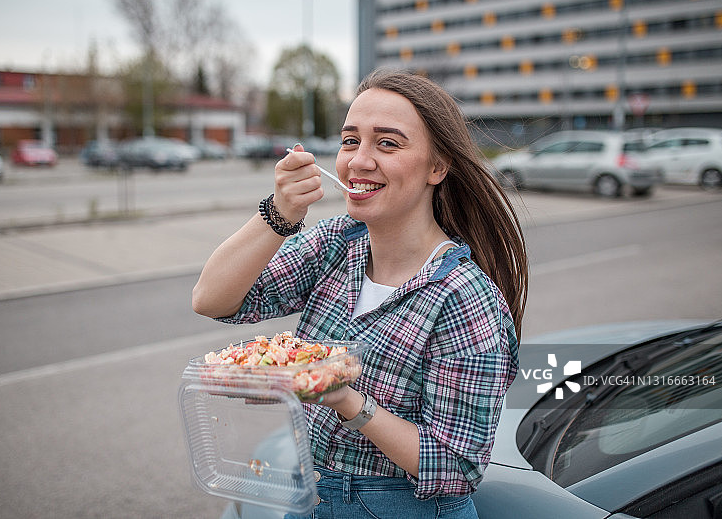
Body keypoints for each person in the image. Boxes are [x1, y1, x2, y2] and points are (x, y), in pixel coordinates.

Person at [192, 70, 528, 519]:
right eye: (350, 141)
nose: (358, 161)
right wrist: (279, 212)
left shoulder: (464, 296)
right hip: (310, 494)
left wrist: (345, 398)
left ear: (437, 167)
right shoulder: (337, 243)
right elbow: (213, 299)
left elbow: (455, 468)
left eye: (387, 143)